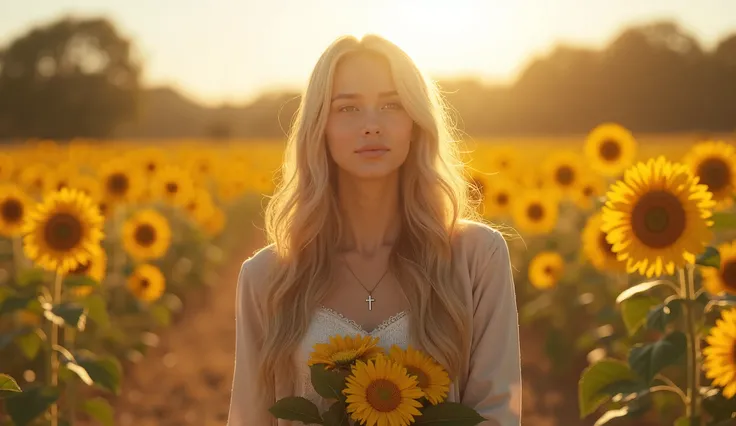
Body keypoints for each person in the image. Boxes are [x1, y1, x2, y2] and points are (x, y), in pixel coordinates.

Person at [227, 33, 521, 426]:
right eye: (348, 108)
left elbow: (498, 411)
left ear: (415, 123)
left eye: (391, 105)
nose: (371, 125)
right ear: (320, 127)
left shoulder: (478, 258)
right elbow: (250, 419)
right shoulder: (267, 276)